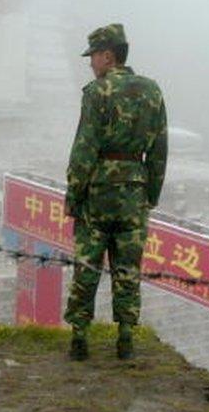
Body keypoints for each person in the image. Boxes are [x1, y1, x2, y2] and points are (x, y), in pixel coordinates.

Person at [63, 23, 168, 361]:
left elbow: (84, 149)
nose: (91, 63)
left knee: (88, 265)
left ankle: (79, 337)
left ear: (107, 56)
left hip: (98, 192)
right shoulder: (152, 91)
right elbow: (159, 151)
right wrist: (150, 194)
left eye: (93, 56)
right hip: (134, 194)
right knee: (127, 268)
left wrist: (73, 195)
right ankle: (125, 337)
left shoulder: (97, 92)